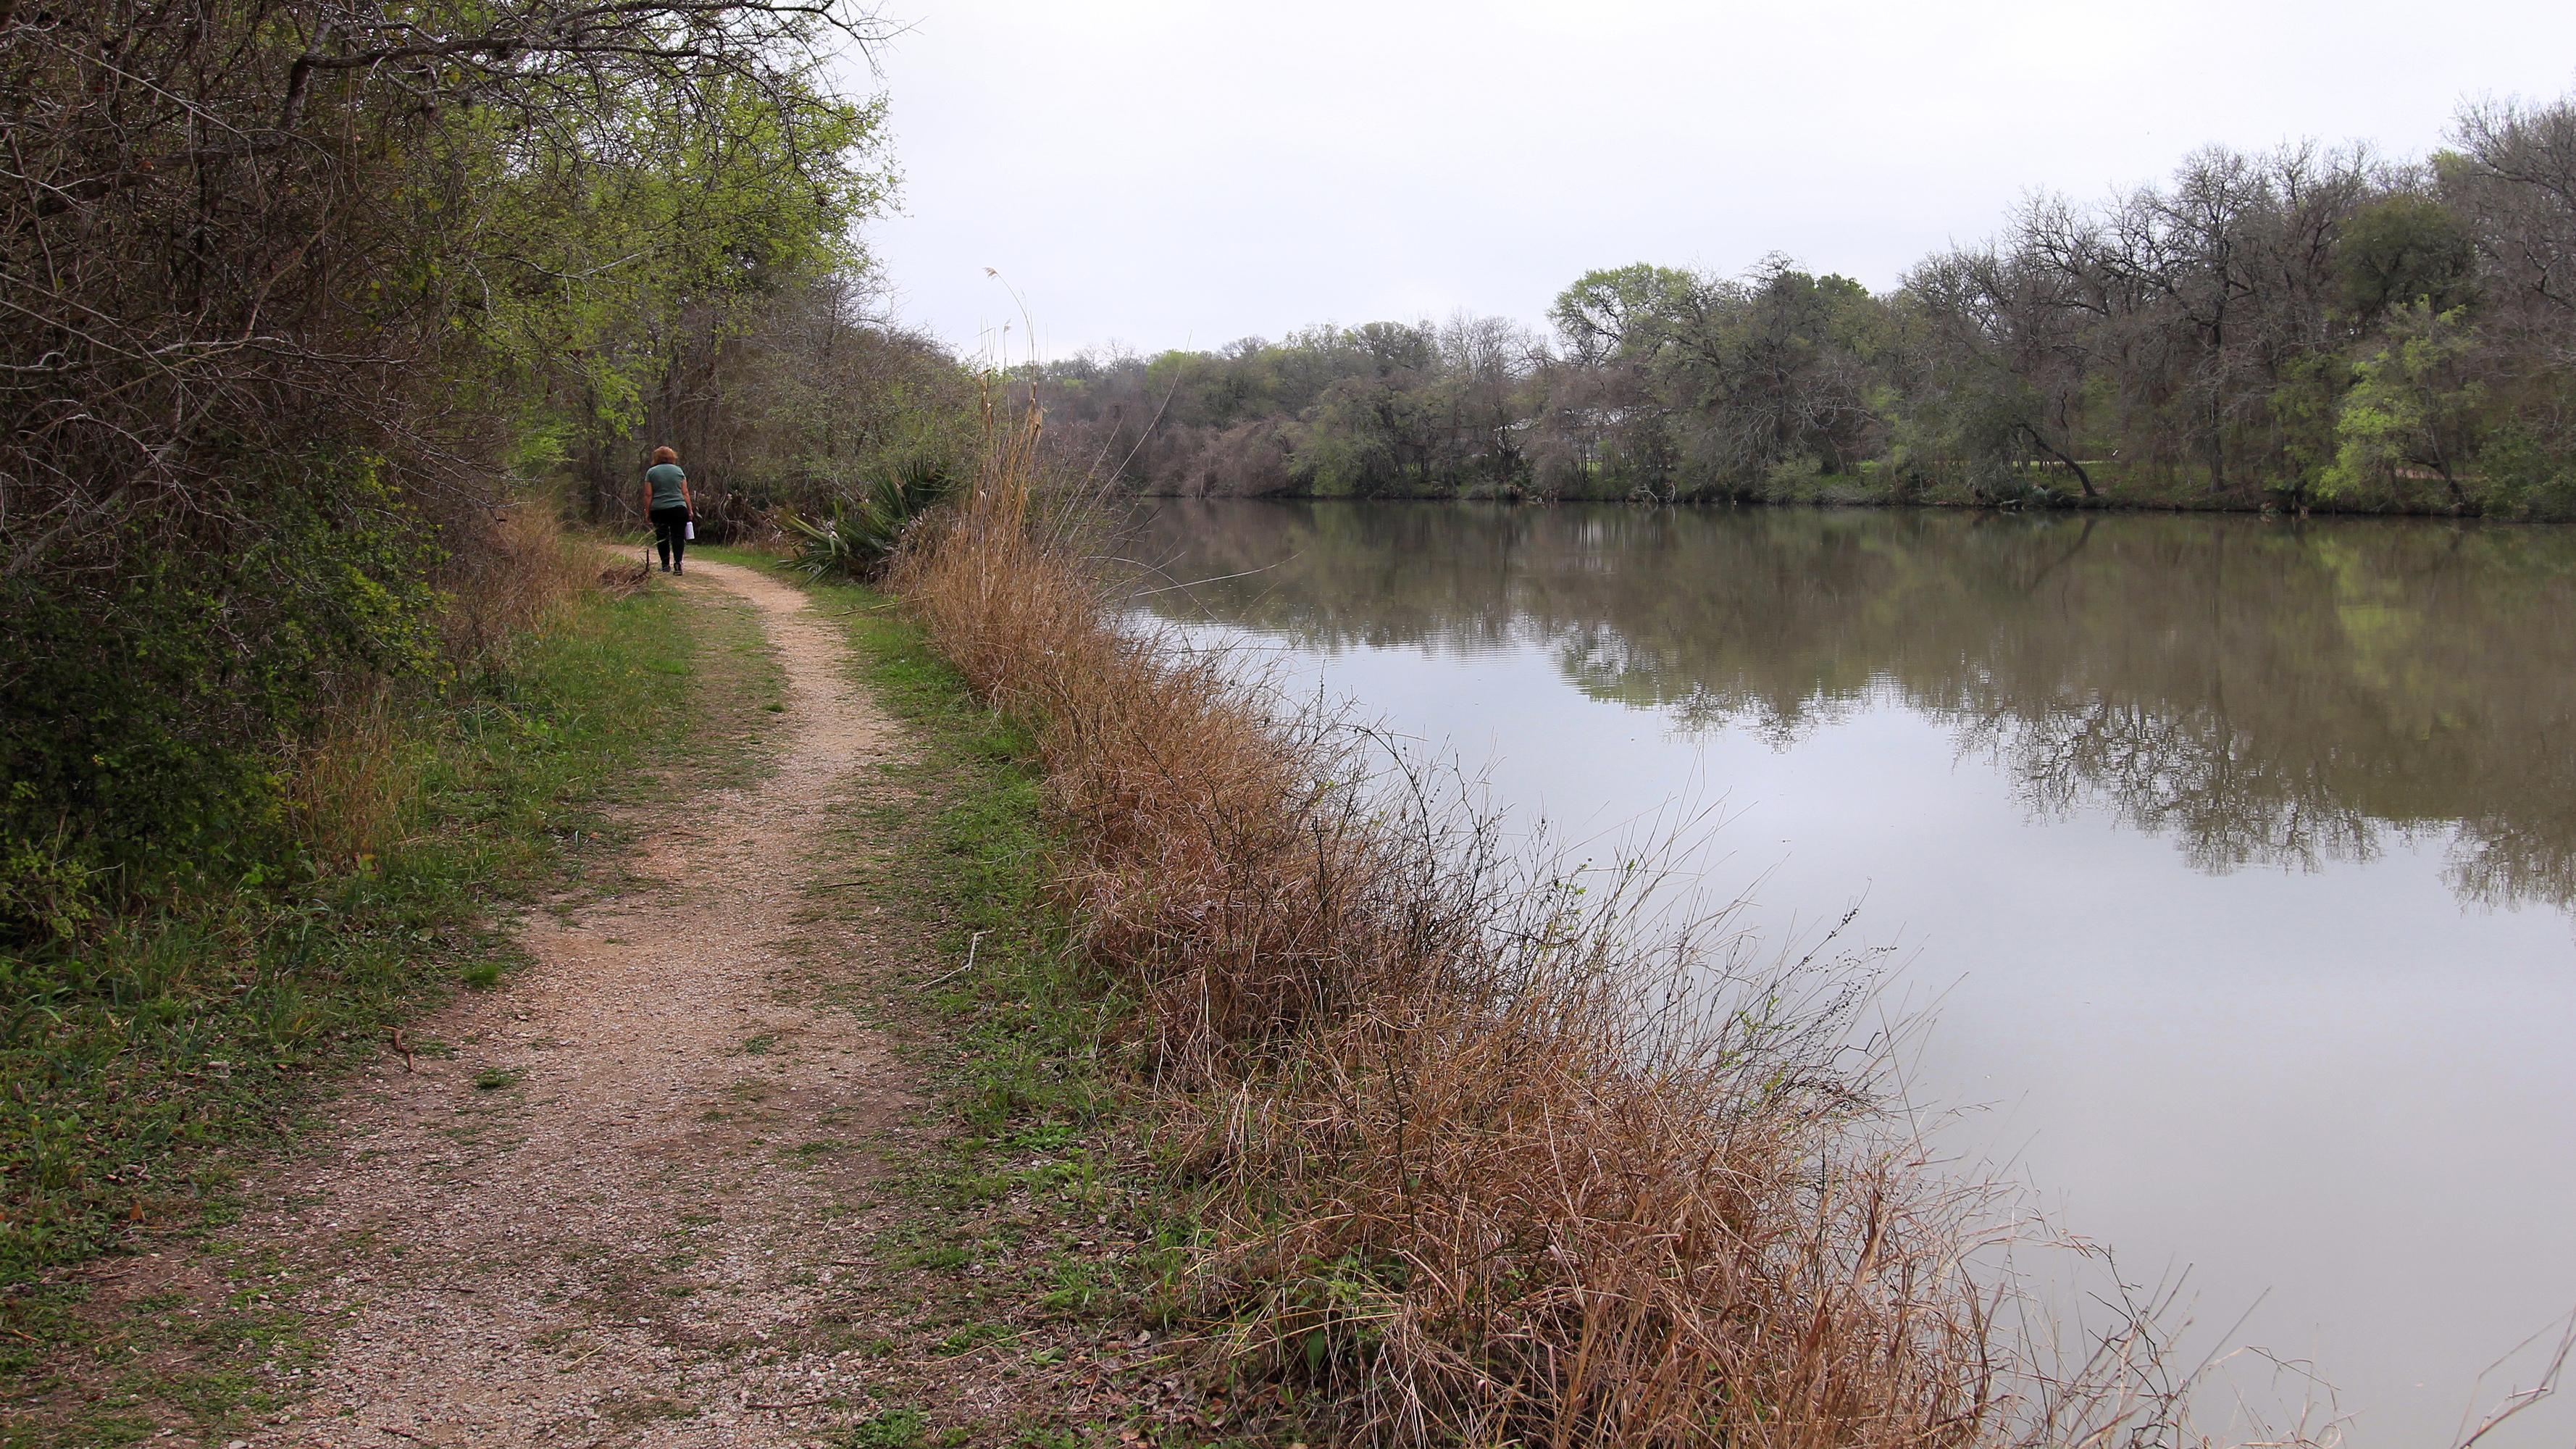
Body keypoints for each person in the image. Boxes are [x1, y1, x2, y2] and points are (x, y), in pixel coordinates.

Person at [644, 446, 693, 574]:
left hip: (659, 509)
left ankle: (665, 565)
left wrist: (647, 511)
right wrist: (690, 509)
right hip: (678, 508)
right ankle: (678, 563)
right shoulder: (678, 471)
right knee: (678, 536)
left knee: (662, 537)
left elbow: (648, 494)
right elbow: (685, 492)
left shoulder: (651, 472)